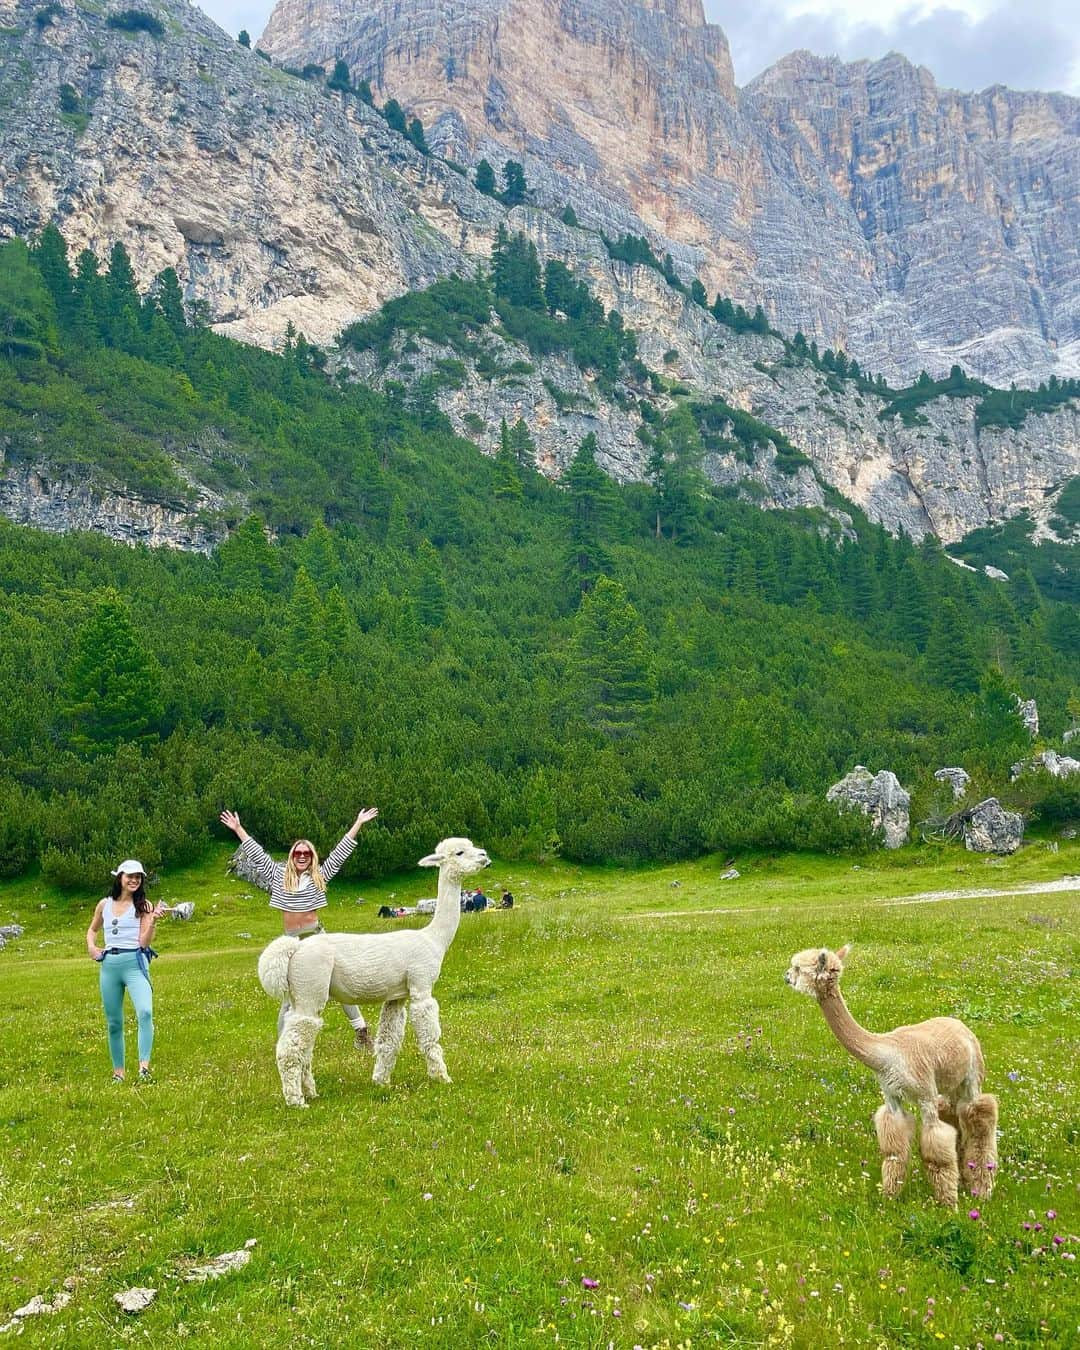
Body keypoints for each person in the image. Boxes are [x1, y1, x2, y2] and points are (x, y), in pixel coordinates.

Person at [219, 807, 378, 1049]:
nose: (302, 856)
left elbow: (340, 853)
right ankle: (284, 1044)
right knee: (291, 994)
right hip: (292, 942)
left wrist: (358, 823)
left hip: (316, 936)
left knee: (340, 983)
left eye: (306, 853)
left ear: (312, 857)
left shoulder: (319, 876)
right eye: (297, 853)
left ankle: (361, 1031)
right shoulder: (278, 875)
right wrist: (238, 829)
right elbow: (257, 854)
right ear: (292, 856)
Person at [86, 860, 166, 1083]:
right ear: (120, 877)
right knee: (114, 1022)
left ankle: (144, 1068)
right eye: (130, 876)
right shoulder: (104, 904)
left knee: (145, 1012)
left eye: (138, 877)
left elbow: (143, 942)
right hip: (110, 966)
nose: (134, 880)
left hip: (135, 964)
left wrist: (152, 922)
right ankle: (118, 1072)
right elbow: (92, 930)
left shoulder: (144, 906)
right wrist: (92, 947)